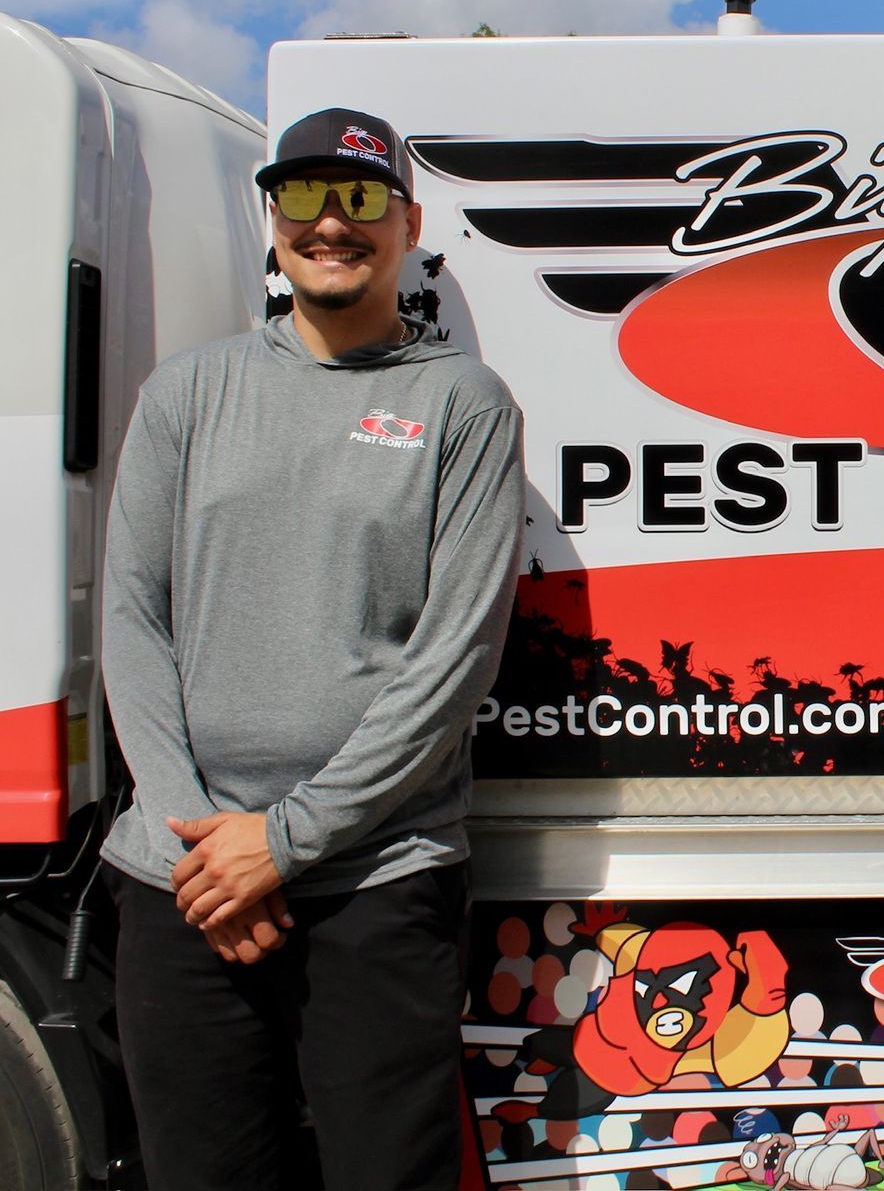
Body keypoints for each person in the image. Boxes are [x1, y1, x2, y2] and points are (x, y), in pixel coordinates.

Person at [99, 106, 525, 1190]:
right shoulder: (186, 394)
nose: (331, 223)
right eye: (302, 197)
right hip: (184, 883)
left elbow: (452, 661)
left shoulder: (460, 404)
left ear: (407, 222)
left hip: (377, 879)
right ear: (271, 222)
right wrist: (207, 844)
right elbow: (132, 621)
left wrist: (284, 842)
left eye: (361, 198)